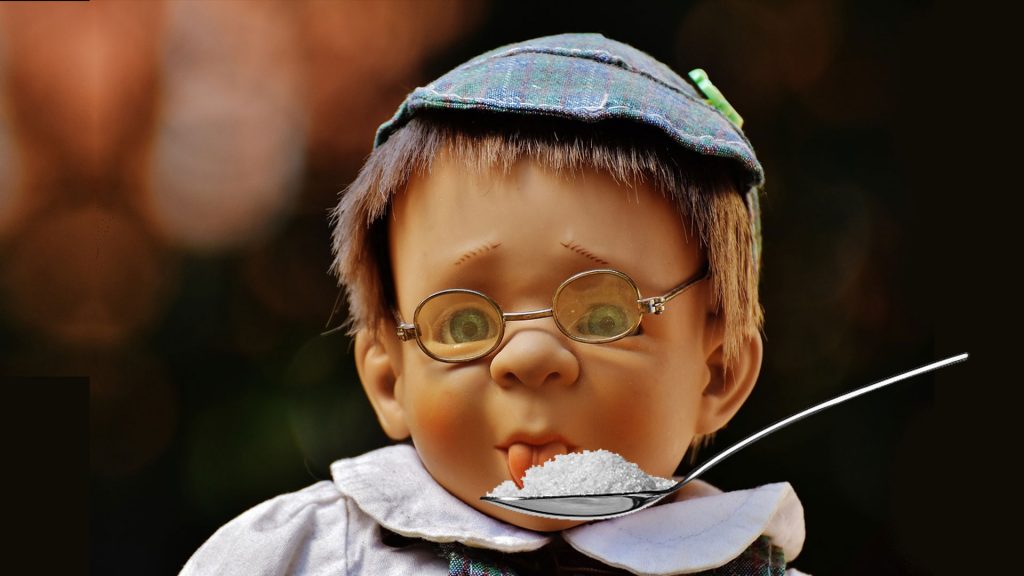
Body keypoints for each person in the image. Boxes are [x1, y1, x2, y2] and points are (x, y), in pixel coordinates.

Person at [180, 33, 808, 575]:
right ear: (389, 378)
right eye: (464, 324)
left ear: (718, 371)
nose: (528, 358)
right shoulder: (303, 558)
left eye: (604, 317)